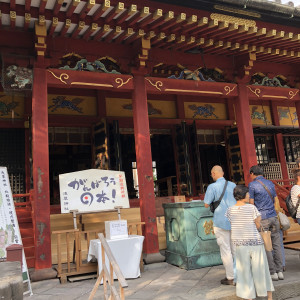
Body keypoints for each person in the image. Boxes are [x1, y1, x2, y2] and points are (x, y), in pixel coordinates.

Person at [226, 185, 274, 300]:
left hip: (240, 245)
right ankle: (268, 297)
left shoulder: (229, 210)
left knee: (244, 273)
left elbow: (232, 224)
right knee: (261, 270)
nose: (249, 196)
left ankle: (248, 296)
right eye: (247, 194)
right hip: (255, 243)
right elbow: (258, 224)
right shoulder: (251, 208)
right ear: (243, 195)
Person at [249, 165, 284, 281]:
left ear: (253, 173)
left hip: (262, 218)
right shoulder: (270, 183)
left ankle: (272, 272)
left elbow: (251, 203)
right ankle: (280, 271)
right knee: (277, 244)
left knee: (267, 246)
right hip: (273, 216)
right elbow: (274, 200)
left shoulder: (252, 185)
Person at [204, 165, 236, 285]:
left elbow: (206, 204)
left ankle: (231, 277)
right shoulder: (233, 185)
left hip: (220, 221)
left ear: (213, 174)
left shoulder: (212, 187)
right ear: (223, 173)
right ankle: (239, 274)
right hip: (234, 219)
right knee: (235, 249)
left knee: (225, 250)